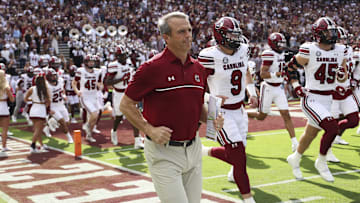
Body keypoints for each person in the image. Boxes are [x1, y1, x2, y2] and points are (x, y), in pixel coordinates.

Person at [120, 12, 223, 203]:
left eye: (190, 30)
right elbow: (125, 104)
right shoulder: (151, 68)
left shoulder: (198, 69)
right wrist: (148, 129)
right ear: (166, 37)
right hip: (163, 152)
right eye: (181, 32)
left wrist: (211, 119)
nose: (188, 36)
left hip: (194, 148)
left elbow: (197, 106)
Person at [198, 17, 257, 203]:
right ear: (220, 36)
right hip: (220, 111)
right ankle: (248, 199)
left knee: (239, 153)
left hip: (240, 108)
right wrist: (209, 99)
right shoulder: (209, 56)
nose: (235, 38)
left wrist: (251, 92)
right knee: (239, 156)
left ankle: (207, 153)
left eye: (236, 34)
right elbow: (196, 85)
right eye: (231, 34)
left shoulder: (243, 49)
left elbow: (246, 71)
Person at [286, 17, 348, 182]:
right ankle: (321, 162)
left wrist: (342, 77)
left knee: (311, 133)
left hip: (328, 98)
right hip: (311, 97)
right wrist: (295, 84)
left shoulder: (340, 50)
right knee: (332, 128)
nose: (332, 34)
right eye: (327, 31)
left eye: (332, 30)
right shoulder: (309, 50)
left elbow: (343, 76)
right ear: (318, 34)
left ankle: (296, 158)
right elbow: (289, 68)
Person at [253, 32, 298, 152]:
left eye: (282, 43)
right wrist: (276, 74)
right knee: (261, 116)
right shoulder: (269, 54)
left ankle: (294, 142)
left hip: (279, 88)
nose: (281, 46)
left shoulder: (282, 53)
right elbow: (262, 74)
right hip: (268, 87)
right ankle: (244, 115)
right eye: (279, 43)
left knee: (286, 114)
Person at [105, 45, 143, 148]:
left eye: (125, 55)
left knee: (134, 115)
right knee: (119, 116)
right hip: (118, 93)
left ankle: (137, 140)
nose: (124, 57)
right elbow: (107, 82)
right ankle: (114, 130)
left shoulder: (129, 63)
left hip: (128, 93)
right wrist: (121, 79)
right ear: (117, 56)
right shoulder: (114, 65)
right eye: (121, 55)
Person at [72, 54, 102, 143]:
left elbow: (100, 83)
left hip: (94, 95)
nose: (92, 63)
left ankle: (89, 134)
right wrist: (77, 91)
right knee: (94, 114)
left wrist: (100, 86)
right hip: (85, 96)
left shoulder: (98, 72)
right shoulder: (81, 71)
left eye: (93, 62)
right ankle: (87, 125)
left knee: (95, 117)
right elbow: (74, 83)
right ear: (86, 62)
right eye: (90, 61)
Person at [24, 73, 51, 153]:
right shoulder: (46, 89)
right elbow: (48, 102)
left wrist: (33, 100)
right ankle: (32, 145)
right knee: (38, 130)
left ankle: (42, 145)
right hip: (41, 109)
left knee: (37, 130)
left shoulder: (32, 89)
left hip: (33, 109)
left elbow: (25, 99)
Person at [46, 69, 74, 144]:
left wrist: (64, 95)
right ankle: (69, 137)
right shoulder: (47, 86)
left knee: (67, 122)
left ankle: (48, 125)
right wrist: (48, 109)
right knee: (62, 122)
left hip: (61, 104)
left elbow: (62, 90)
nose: (54, 77)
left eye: (54, 75)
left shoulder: (60, 81)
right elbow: (45, 99)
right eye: (52, 76)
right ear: (48, 77)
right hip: (53, 106)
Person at [0, 70, 14, 152]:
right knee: (5, 129)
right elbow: (12, 99)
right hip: (4, 108)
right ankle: (4, 146)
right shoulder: (6, 87)